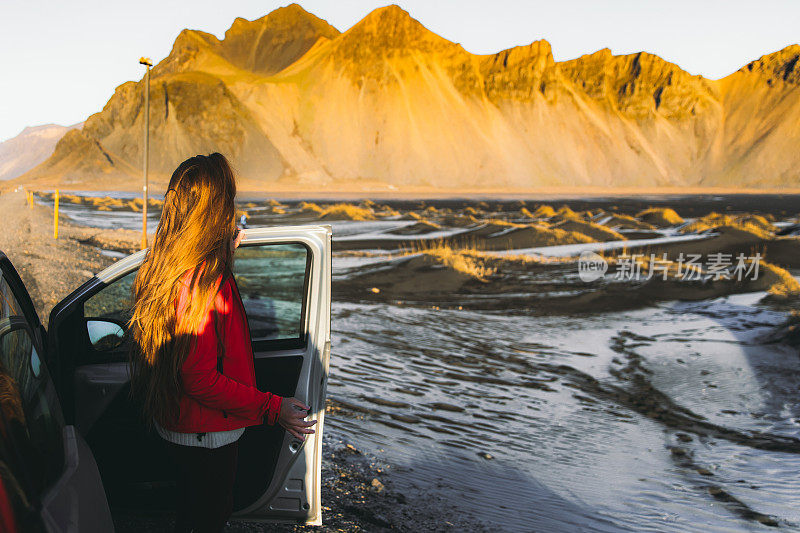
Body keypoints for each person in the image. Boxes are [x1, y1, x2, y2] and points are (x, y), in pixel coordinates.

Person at [128, 153, 316, 533]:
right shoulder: (205, 280)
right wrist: (273, 407)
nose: (234, 210)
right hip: (208, 436)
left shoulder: (161, 265)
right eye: (229, 200)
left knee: (189, 510)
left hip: (176, 425)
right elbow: (198, 377)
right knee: (211, 515)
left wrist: (224, 255)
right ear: (215, 210)